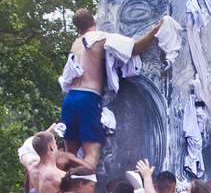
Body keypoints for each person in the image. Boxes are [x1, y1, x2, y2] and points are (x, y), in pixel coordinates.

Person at [59, 9, 165, 168]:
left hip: (69, 99)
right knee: (90, 157)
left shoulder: (76, 43)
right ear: (93, 20)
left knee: (70, 156)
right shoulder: (102, 39)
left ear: (78, 29)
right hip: (88, 98)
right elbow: (134, 49)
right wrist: (155, 30)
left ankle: (66, 192)